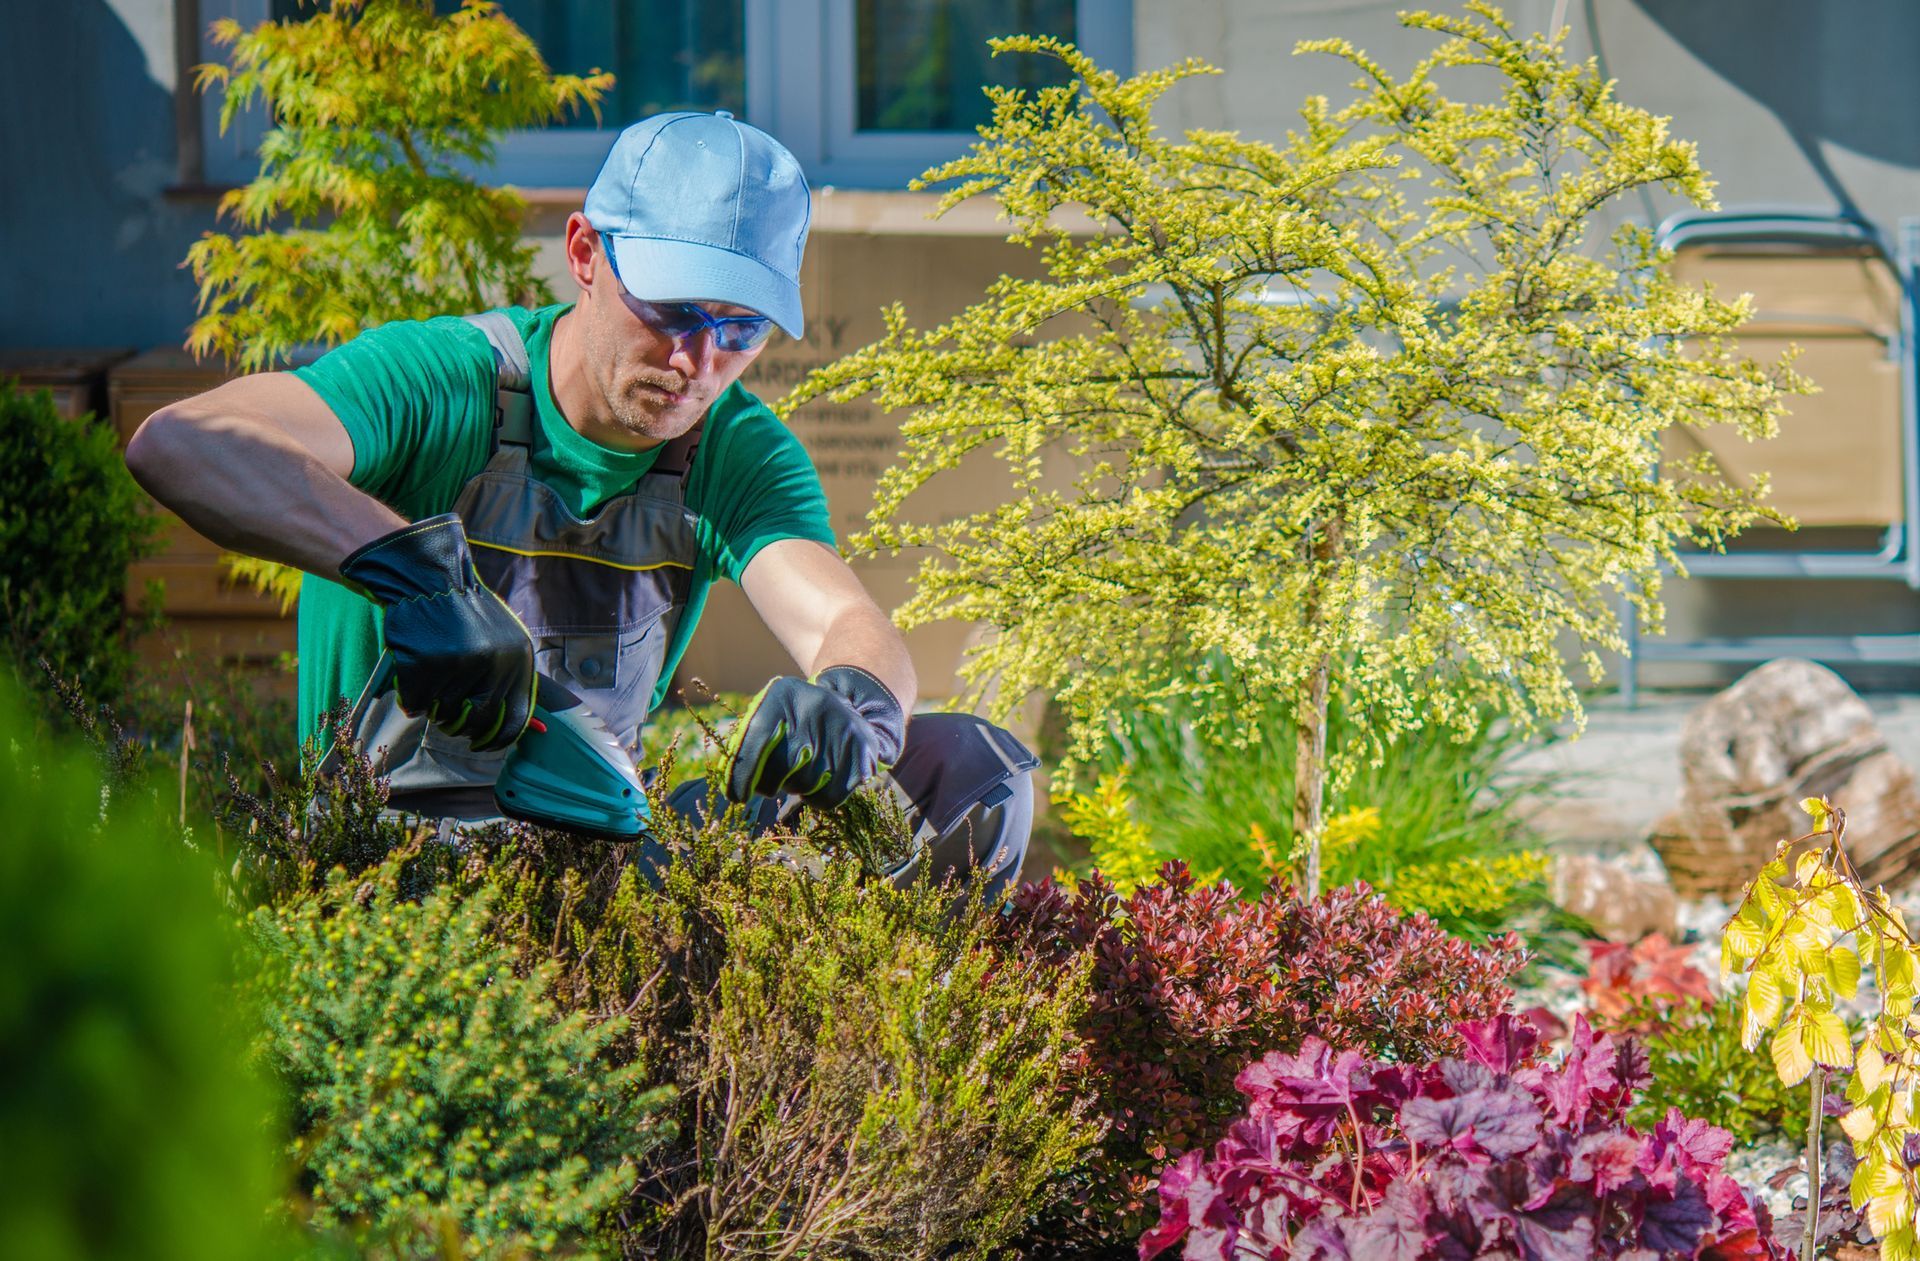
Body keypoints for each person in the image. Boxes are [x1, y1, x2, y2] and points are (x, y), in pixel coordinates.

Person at [125, 111, 1035, 896]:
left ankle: (859, 1065)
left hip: (601, 845)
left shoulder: (732, 451)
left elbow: (844, 616)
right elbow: (185, 442)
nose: (697, 363)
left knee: (968, 776)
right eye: (674, 310)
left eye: (740, 329)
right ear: (585, 254)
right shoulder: (446, 384)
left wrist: (856, 703)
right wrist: (418, 581)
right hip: (391, 862)